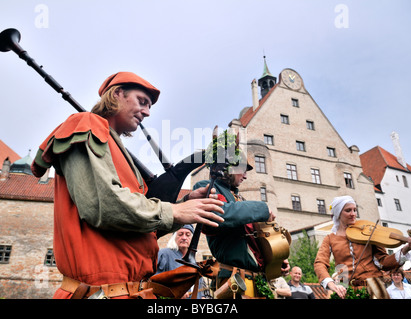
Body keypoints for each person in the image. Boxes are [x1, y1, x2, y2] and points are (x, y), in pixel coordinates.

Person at [31, 71, 225, 299]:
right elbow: (103, 205)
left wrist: (185, 205)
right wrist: (174, 210)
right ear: (117, 94)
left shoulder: (115, 148)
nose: (147, 112)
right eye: (142, 101)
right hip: (99, 292)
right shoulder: (86, 124)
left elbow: (140, 226)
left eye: (149, 106)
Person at [192, 155, 288, 298]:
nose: (245, 176)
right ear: (228, 169)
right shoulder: (206, 187)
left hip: (258, 281)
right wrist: (262, 209)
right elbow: (220, 215)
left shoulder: (240, 199)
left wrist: (275, 261)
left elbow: (253, 242)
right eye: (243, 170)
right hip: (234, 279)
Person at [314, 195, 411, 299]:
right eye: (348, 210)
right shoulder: (330, 238)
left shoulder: (368, 232)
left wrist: (406, 249)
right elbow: (320, 263)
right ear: (338, 213)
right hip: (346, 289)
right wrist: (330, 283)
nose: (353, 214)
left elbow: (384, 263)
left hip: (374, 287)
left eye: (355, 210)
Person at [156, 224, 209, 298]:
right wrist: (174, 294)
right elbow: (154, 283)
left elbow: (202, 290)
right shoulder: (164, 254)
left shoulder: (193, 261)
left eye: (188, 235)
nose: (184, 238)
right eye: (180, 234)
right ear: (174, 237)